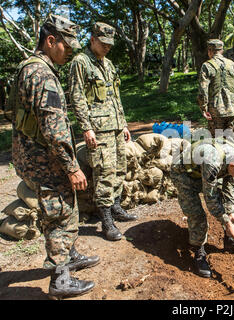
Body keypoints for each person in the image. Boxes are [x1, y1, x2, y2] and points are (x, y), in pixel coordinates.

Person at [9, 14, 98, 299]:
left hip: (31, 153)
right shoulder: (42, 75)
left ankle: (69, 254)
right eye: (67, 45)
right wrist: (72, 167)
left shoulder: (29, 68)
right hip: (45, 159)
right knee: (60, 212)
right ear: (50, 41)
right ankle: (60, 278)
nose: (70, 51)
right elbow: (54, 129)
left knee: (64, 208)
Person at [69, 22, 137, 242]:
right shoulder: (81, 62)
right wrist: (86, 127)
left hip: (115, 126)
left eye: (110, 44)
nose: (107, 47)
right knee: (104, 172)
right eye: (103, 43)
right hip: (98, 128)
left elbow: (115, 97)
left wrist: (124, 124)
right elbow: (77, 96)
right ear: (92, 40)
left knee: (120, 168)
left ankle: (116, 206)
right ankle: (106, 220)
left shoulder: (108, 64)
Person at [170, 137, 234, 278]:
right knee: (197, 214)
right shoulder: (212, 161)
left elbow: (230, 187)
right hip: (184, 174)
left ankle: (231, 241)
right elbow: (210, 199)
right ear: (232, 166)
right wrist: (226, 221)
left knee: (230, 206)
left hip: (204, 171)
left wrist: (231, 213)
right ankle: (198, 252)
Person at [198, 39, 234, 142]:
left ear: (210, 51)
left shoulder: (207, 66)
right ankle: (232, 158)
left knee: (217, 144)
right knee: (231, 143)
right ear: (221, 50)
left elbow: (203, 89)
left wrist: (204, 108)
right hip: (233, 110)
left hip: (215, 111)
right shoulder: (233, 65)